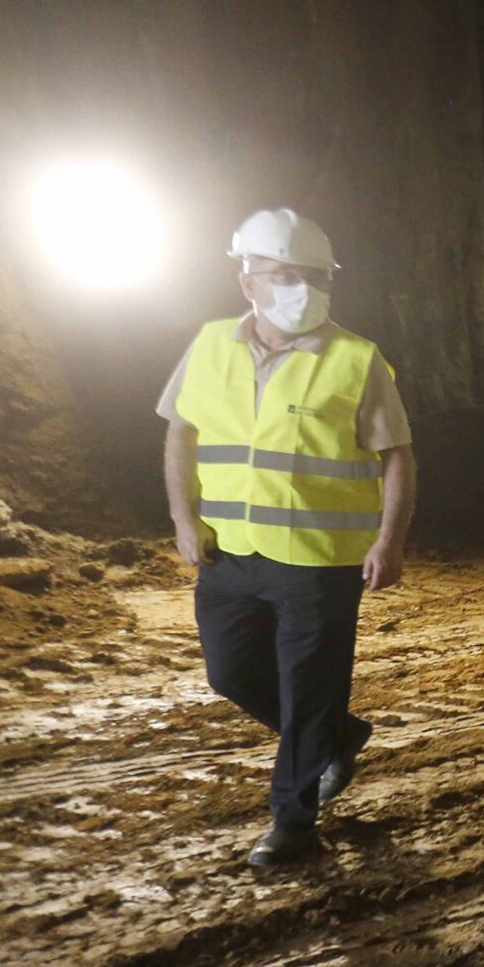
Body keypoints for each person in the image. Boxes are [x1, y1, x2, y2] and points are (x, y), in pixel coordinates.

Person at [160, 210, 418, 868]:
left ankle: (293, 821)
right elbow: (180, 433)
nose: (299, 286)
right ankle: (337, 734)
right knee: (230, 670)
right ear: (248, 282)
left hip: (319, 562)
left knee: (307, 688)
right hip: (229, 551)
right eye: (282, 275)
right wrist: (185, 519)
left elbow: (397, 455)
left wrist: (388, 540)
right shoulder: (210, 342)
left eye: (312, 276)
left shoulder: (355, 358)